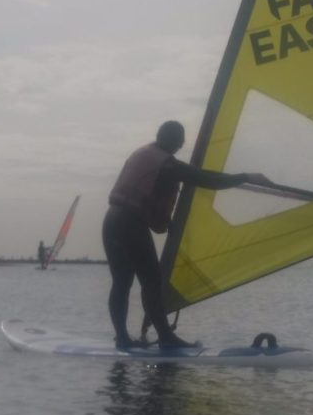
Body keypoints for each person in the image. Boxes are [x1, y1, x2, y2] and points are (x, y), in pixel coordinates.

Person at [103, 120, 269, 350]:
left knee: (121, 282)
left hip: (112, 221)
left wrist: (166, 220)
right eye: (180, 142)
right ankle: (166, 338)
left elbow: (147, 191)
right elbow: (207, 179)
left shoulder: (143, 154)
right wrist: (245, 176)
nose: (180, 146)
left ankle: (122, 338)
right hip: (129, 225)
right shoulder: (167, 164)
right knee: (151, 282)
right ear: (174, 140)